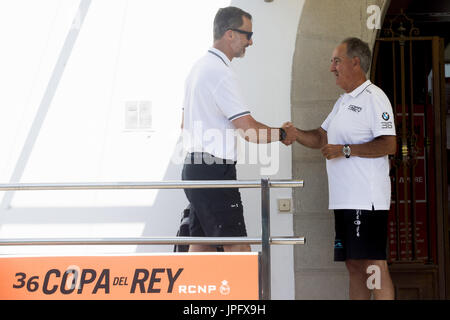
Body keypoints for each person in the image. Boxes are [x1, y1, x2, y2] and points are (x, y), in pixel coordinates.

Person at [286, 37, 396, 300]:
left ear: (355, 62)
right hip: (344, 200)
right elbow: (321, 138)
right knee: (354, 264)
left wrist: (346, 150)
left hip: (366, 200)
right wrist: (294, 133)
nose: (331, 67)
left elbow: (390, 144)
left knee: (373, 265)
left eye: (336, 61)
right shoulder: (343, 101)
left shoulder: (374, 97)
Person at [181, 6, 296, 253]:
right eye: (247, 34)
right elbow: (248, 131)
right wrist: (282, 134)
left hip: (194, 167)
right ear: (230, 34)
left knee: (202, 248)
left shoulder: (197, 68)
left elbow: (183, 123)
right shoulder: (220, 73)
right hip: (213, 169)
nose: (251, 42)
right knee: (239, 249)